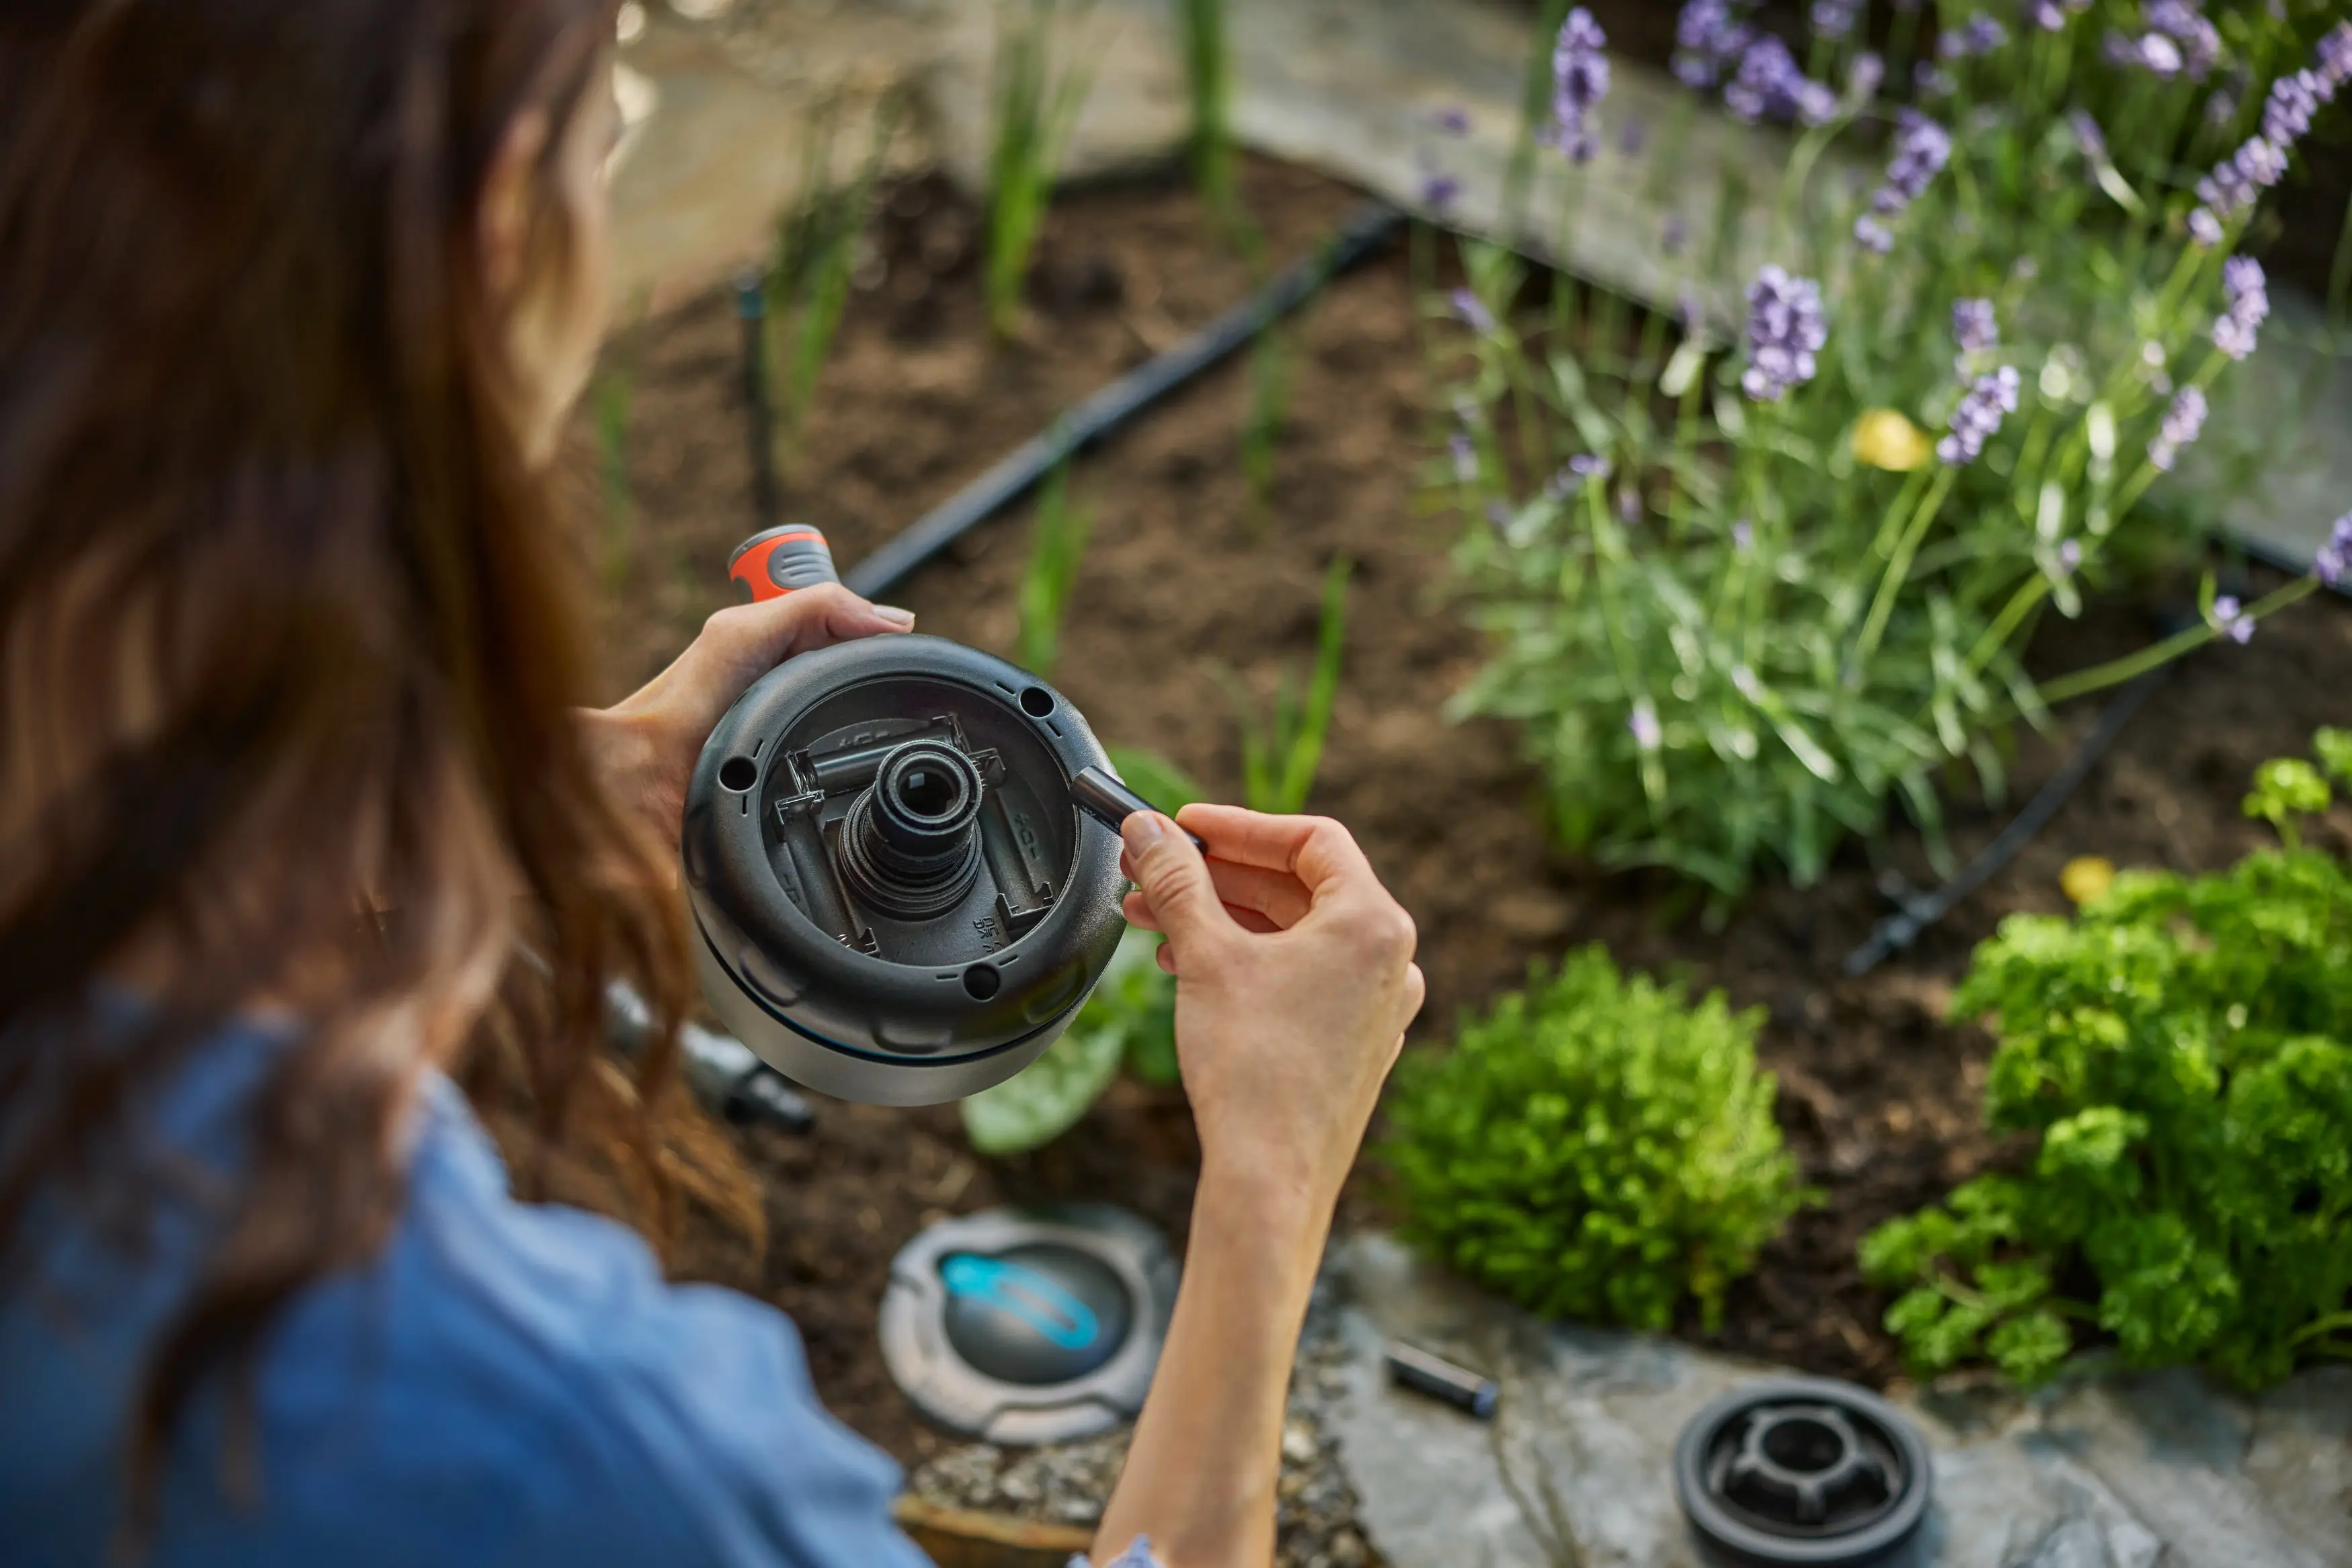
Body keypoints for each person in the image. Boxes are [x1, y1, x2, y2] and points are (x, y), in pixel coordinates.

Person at [0, 4, 1426, 1567]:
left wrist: (534, 790)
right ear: (497, 233)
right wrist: (1274, 1172)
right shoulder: (560, 1445)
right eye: (607, 111)